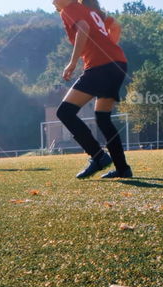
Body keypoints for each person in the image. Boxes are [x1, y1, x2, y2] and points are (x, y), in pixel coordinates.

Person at [53, 0, 132, 179]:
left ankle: (98, 157)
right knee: (103, 118)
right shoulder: (93, 11)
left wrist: (72, 63)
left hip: (100, 67)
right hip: (118, 64)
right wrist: (108, 46)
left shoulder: (70, 8)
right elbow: (116, 26)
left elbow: (83, 29)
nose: (52, 2)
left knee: (65, 112)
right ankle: (122, 169)